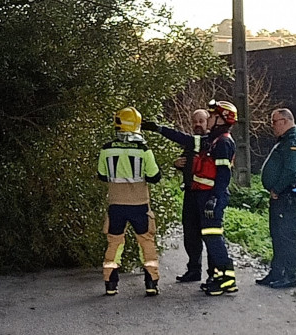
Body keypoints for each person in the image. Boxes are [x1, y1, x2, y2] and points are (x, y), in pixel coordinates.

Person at [142, 100, 238, 296]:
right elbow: (183, 139)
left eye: (211, 116)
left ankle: (227, 279)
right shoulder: (211, 140)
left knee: (213, 238)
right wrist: (159, 129)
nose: (209, 119)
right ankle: (220, 277)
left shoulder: (223, 142)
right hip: (202, 195)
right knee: (209, 237)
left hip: (210, 197)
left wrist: (214, 199)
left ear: (220, 119)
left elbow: (223, 176)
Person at [98, 106, 162, 296]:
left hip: (116, 205)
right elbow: (155, 176)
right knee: (146, 243)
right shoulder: (144, 150)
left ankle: (110, 284)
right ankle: (151, 283)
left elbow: (102, 175)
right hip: (140, 205)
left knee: (114, 243)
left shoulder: (106, 149)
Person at [256, 108, 296, 289]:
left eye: (274, 122)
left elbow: (291, 170)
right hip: (283, 194)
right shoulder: (285, 140)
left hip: (288, 193)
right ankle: (277, 272)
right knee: (277, 233)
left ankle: (290, 275)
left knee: (287, 234)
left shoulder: (293, 140)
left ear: (285, 121)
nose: (272, 126)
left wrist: (276, 188)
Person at [174, 109, 211, 283]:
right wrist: (177, 163)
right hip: (190, 193)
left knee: (210, 235)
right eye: (195, 121)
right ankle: (194, 269)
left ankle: (215, 273)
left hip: (206, 196)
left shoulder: (212, 142)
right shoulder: (191, 144)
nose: (197, 124)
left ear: (207, 122)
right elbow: (186, 161)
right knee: (190, 234)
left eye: (201, 121)